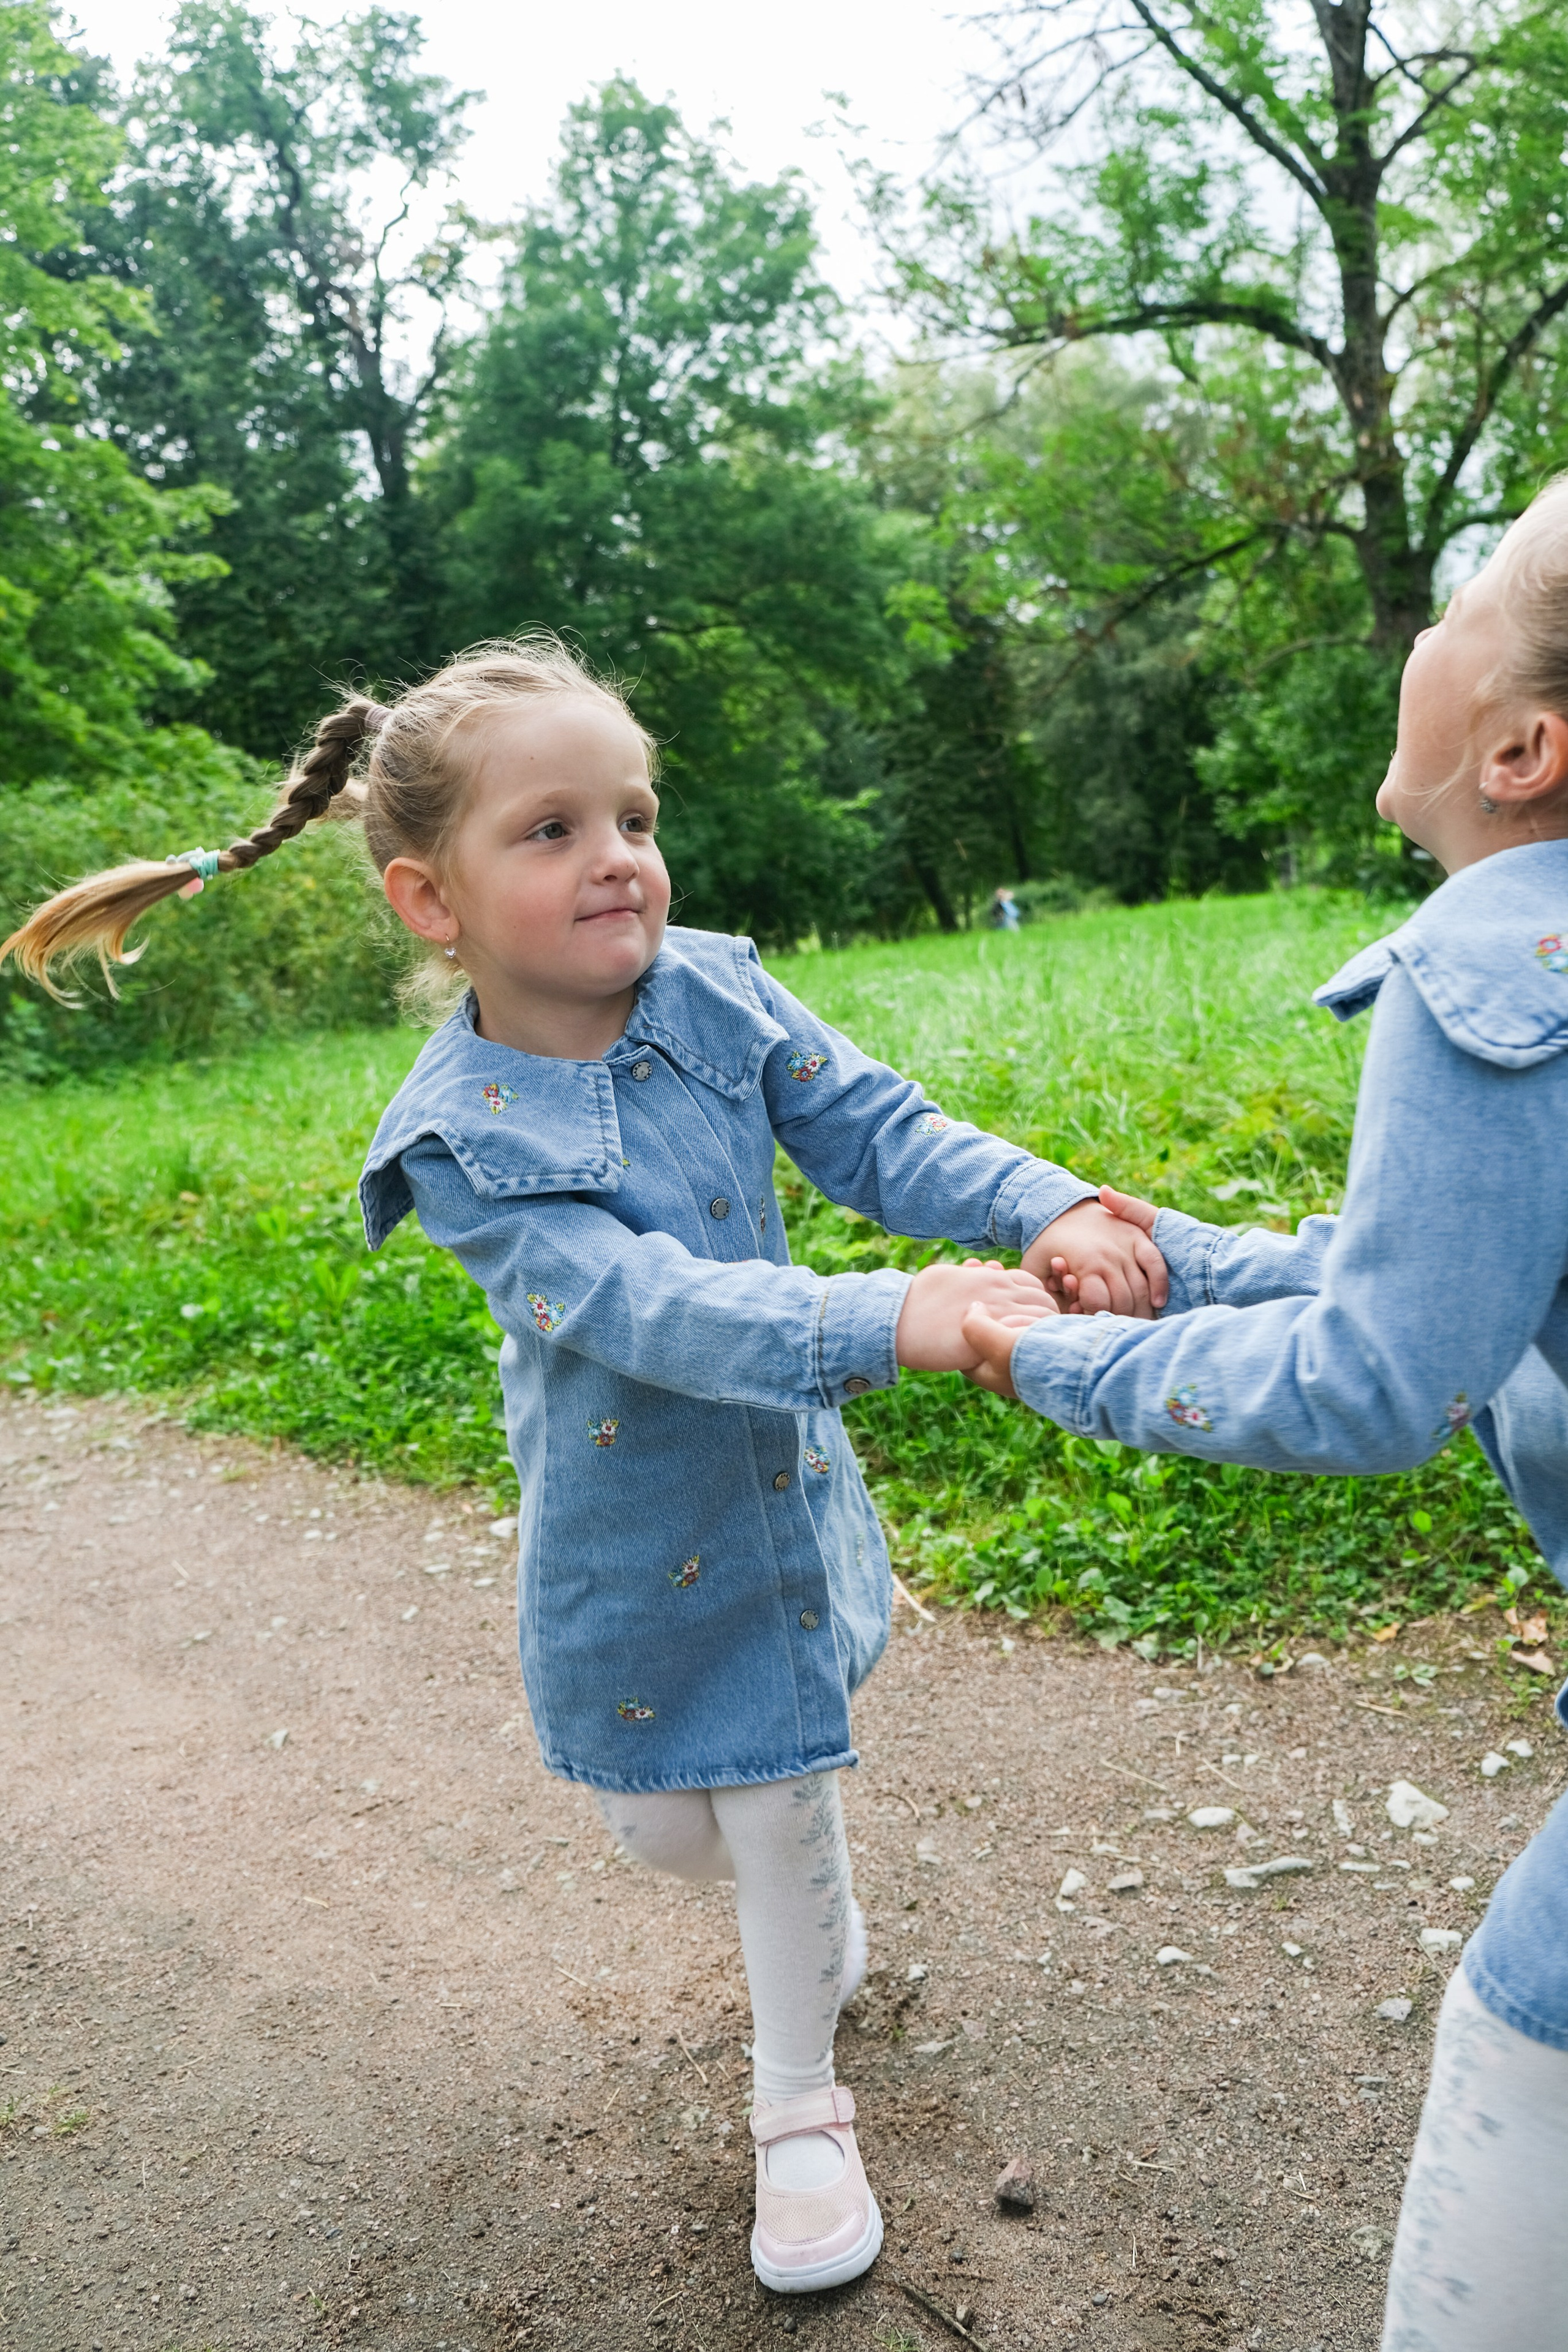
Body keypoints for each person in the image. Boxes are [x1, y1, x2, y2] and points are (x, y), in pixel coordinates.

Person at [1, 636, 1149, 2295]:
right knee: (665, 1829)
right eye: (551, 830)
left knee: (771, 1791)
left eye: (634, 813)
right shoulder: (462, 1141)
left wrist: (1038, 1206)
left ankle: (799, 2108)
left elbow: (883, 1128)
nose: (617, 855)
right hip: (624, 1544)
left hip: (772, 1508)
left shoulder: (723, 988)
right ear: (429, 898)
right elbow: (647, 1308)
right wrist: (884, 1315)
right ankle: (804, 1921)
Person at [959, 478, 1568, 2352]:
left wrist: (1041, 1358)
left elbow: (1383, 1376)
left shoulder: (1496, 955)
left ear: (1523, 744)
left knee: (1518, 2081)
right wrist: (1183, 1257)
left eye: (1462, 597)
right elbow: (1437, 1265)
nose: (1422, 624)